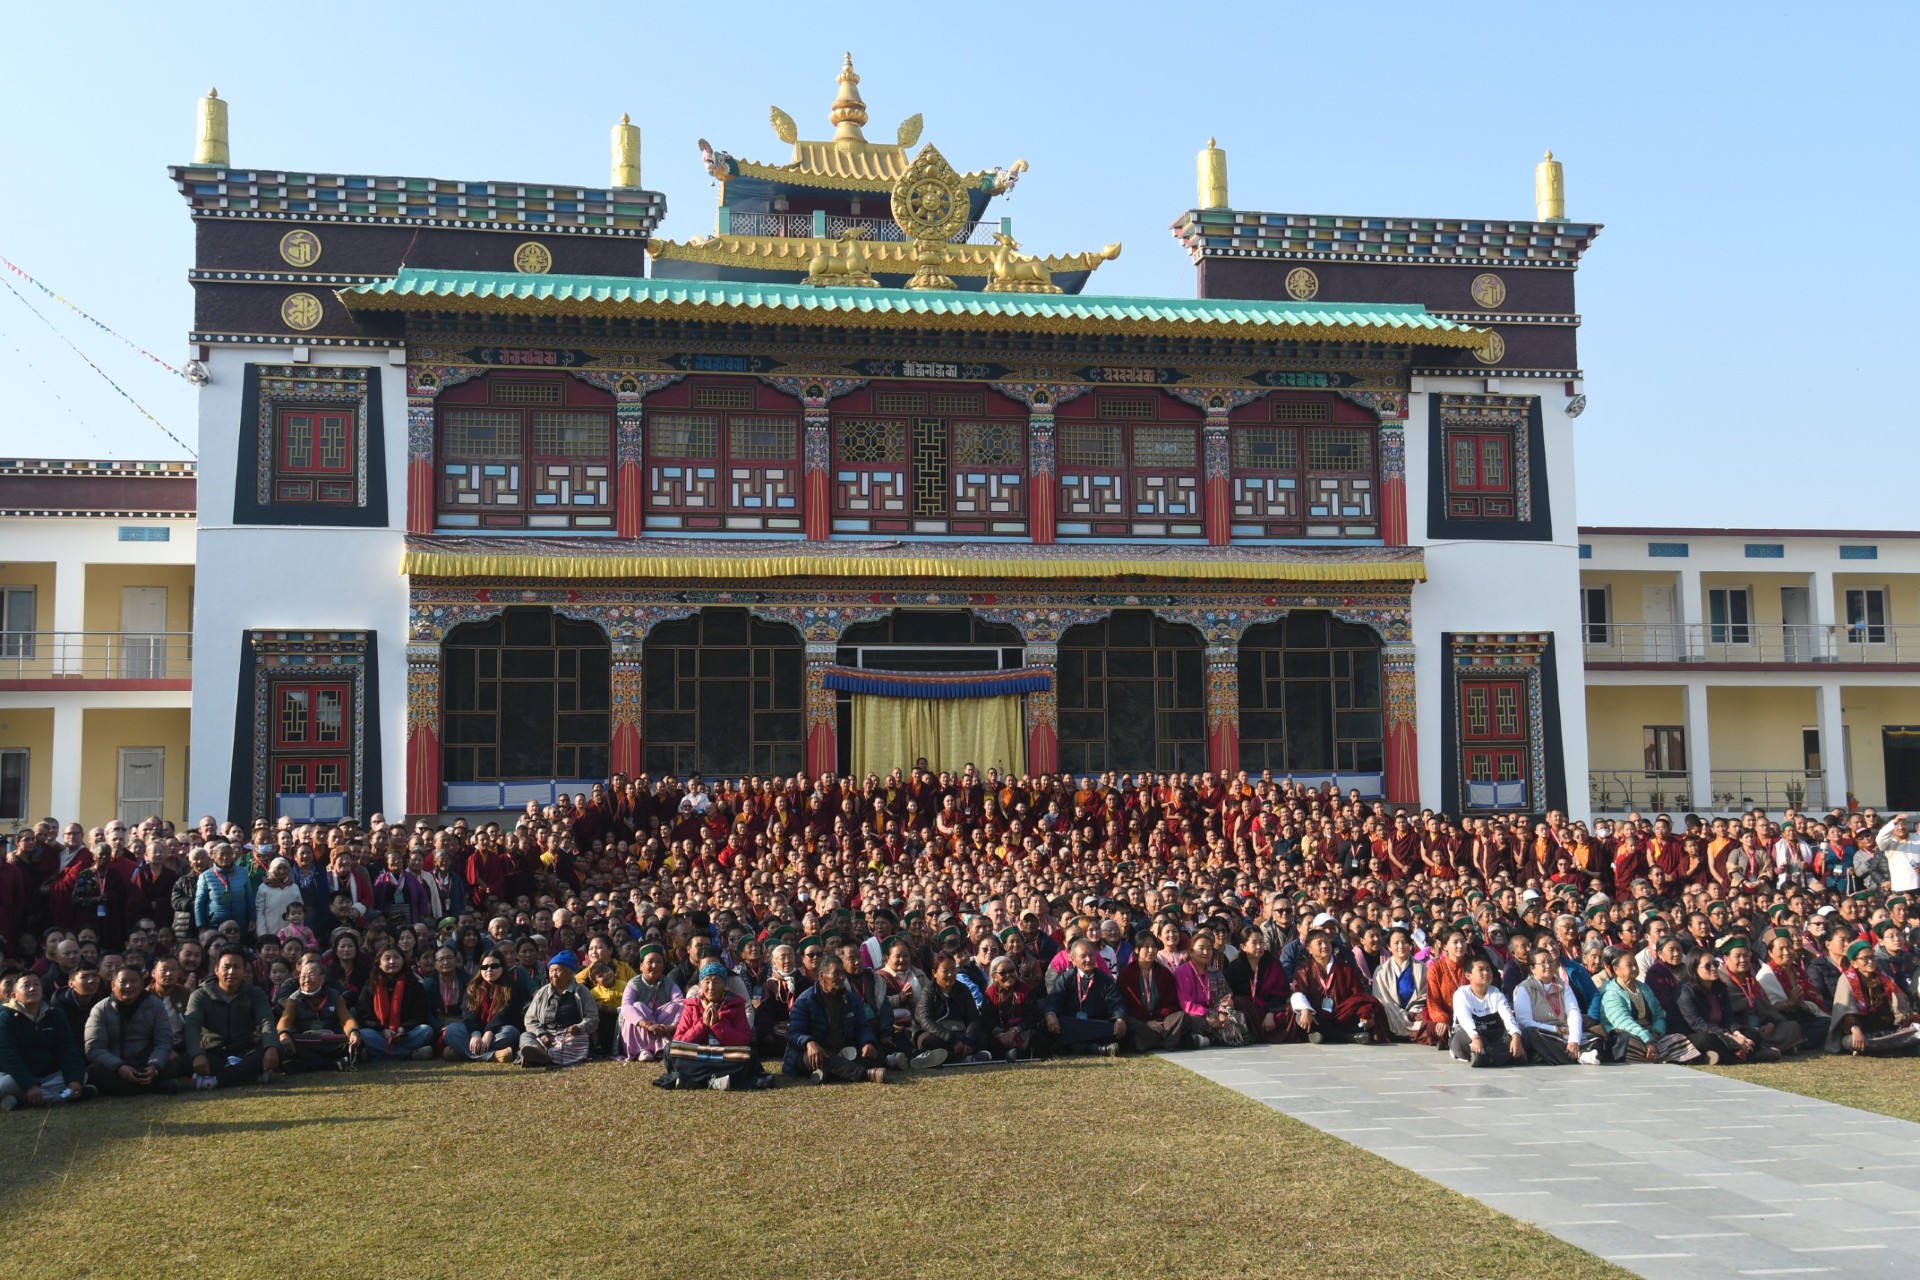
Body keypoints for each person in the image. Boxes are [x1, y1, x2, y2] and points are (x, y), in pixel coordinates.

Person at [658, 960, 770, 1091]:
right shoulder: (692, 1005)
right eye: (707, 982)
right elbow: (680, 1040)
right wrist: (703, 1024)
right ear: (700, 984)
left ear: (724, 985)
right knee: (670, 1049)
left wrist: (717, 1025)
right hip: (698, 1055)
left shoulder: (736, 1004)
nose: (711, 987)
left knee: (750, 1055)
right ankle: (715, 1081)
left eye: (716, 982)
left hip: (724, 1056)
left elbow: (743, 1040)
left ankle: (695, 1080)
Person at [183, 951, 282, 1089]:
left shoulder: (255, 993)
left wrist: (271, 1047)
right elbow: (192, 1026)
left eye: (237, 967)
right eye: (226, 967)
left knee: (277, 1048)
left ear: (244, 971)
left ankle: (215, 1081)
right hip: (213, 1053)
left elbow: (267, 1020)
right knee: (186, 1058)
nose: (231, 971)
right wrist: (197, 1054)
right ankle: (252, 1076)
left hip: (245, 1051)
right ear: (216, 969)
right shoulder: (200, 995)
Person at [785, 954, 888, 1083]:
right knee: (823, 1058)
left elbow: (862, 1026)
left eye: (843, 973)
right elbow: (794, 1033)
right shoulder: (805, 1000)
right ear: (822, 976)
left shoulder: (852, 1000)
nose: (841, 977)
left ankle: (829, 1073)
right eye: (836, 973)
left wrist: (867, 1042)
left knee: (876, 1053)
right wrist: (809, 1042)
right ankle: (865, 1075)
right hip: (813, 1053)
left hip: (842, 1051)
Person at [0, 972, 93, 1109]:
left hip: (50, 1076)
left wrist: (74, 1080)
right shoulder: (5, 1018)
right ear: (14, 995)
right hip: (17, 1078)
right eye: (26, 986)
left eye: (36, 984)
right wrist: (29, 1085)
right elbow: (7, 1055)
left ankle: (23, 1101)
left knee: (81, 1076)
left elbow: (68, 1049)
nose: (32, 988)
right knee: (3, 1084)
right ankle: (64, 1097)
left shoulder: (55, 1014)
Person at [84, 964, 179, 1095]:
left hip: (146, 1062)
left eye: (134, 981)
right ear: (113, 985)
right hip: (116, 1065)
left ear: (141, 985)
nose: (128, 986)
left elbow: (163, 1042)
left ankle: (130, 1088)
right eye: (123, 982)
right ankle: (154, 1087)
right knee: (93, 1071)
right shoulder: (100, 1009)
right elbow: (94, 1048)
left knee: (174, 1064)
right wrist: (119, 1067)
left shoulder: (155, 1005)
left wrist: (154, 1066)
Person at [1598, 949, 1700, 1064]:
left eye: (1635, 964)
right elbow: (1623, 1022)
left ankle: (1656, 1056)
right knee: (1631, 1043)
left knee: (1678, 1037)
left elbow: (1658, 1014)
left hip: (1651, 1033)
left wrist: (1656, 1032)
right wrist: (1647, 1039)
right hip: (1629, 1034)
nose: (1634, 968)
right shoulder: (1611, 993)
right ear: (1616, 969)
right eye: (1629, 965)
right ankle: (1662, 1057)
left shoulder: (1644, 988)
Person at [1290, 927, 1385, 1044]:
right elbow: (1298, 991)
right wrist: (1305, 1009)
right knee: (1300, 1016)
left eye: (1326, 941)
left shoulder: (1344, 967)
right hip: (1317, 1014)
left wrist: (1364, 1012)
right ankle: (1348, 1037)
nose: (1325, 945)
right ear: (1309, 949)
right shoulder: (1304, 968)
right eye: (1319, 943)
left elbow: (1358, 994)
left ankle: (1319, 1035)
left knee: (1366, 1017)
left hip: (1341, 1014)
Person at [1826, 939, 1920, 1055]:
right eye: (1865, 958)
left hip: (1889, 1031)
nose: (1870, 961)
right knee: (1850, 1041)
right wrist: (1855, 1029)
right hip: (1862, 1032)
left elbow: (1900, 1009)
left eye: (1872, 957)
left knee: (1915, 1031)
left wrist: (1907, 1020)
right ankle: (1894, 1047)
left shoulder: (1884, 978)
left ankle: (1886, 1048)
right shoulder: (1846, 980)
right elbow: (1845, 1013)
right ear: (1854, 963)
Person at [1042, 938, 1127, 1057]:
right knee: (1058, 1025)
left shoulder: (1105, 979)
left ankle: (1081, 1045)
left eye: (1091, 955)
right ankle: (1098, 1048)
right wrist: (1051, 1015)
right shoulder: (1066, 978)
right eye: (1083, 956)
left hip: (1096, 1022)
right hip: (1073, 1023)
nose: (1088, 959)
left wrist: (1120, 1019)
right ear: (1072, 959)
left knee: (1117, 1028)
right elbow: (1053, 1000)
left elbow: (1116, 1002)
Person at [1513, 945, 1594, 1065]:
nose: (1548, 966)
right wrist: (1555, 1029)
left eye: (1550, 961)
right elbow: (1524, 1021)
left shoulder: (1563, 986)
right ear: (1532, 968)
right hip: (1543, 1031)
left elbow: (1573, 1012)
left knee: (1595, 1037)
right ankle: (1580, 1055)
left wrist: (1574, 1040)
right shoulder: (1524, 988)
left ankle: (1569, 1052)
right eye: (1543, 963)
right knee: (1531, 1033)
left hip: (1564, 1030)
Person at [276, 957, 360, 1072]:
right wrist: (284, 1034)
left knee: (355, 1041)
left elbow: (346, 1019)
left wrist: (353, 1032)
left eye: (311, 975)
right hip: (306, 1042)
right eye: (303, 976)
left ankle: (309, 1065)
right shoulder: (294, 999)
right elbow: (285, 1020)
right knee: (283, 1045)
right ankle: (333, 1064)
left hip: (330, 1041)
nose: (306, 980)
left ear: (322, 978)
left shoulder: (335, 996)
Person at [354, 945, 435, 1061]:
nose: (392, 961)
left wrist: (403, 1029)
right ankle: (409, 1054)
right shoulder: (370, 985)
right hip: (380, 1033)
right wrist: (382, 1030)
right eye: (387, 958)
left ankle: (378, 1055)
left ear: (403, 961)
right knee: (364, 1034)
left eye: (396, 957)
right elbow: (364, 1014)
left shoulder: (414, 985)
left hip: (405, 1033)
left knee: (426, 1030)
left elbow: (419, 1014)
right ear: (379, 963)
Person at [1118, 930, 1194, 1052]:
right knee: (1128, 1022)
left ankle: (1149, 1042)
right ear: (1137, 949)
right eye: (1146, 947)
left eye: (1154, 947)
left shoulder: (1165, 973)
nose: (1151, 950)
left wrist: (1158, 1019)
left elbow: (1171, 1002)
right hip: (1139, 1021)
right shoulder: (1126, 974)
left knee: (1182, 1017)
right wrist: (1146, 1021)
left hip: (1162, 1021)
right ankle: (1169, 1040)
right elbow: (1127, 1004)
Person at [520, 953, 597, 1068]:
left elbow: (593, 1018)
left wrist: (578, 1027)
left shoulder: (582, 992)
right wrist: (541, 1033)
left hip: (571, 1035)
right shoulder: (542, 992)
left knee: (579, 1039)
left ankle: (542, 1055)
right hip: (546, 1034)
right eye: (551, 971)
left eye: (558, 971)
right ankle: (539, 1052)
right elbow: (530, 1019)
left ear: (570, 973)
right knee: (526, 1036)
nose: (554, 975)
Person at [1175, 930, 1248, 1047]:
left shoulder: (1215, 972)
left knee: (1239, 1016)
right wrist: (1206, 1014)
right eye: (1201, 948)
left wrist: (1222, 1013)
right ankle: (1224, 1039)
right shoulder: (1182, 972)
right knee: (1194, 1022)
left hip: (1216, 1012)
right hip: (1196, 1014)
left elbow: (1225, 995)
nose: (1206, 952)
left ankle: (1209, 1040)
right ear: (1191, 951)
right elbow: (1186, 1003)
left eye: (1209, 949)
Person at [447, 952, 524, 1063]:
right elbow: (468, 1013)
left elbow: (506, 1014)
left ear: (502, 967)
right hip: (475, 1032)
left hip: (497, 1032)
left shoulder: (512, 987)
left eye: (494, 966)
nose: (489, 970)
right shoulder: (473, 987)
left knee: (511, 1033)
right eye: (484, 967)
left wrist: (489, 1032)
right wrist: (475, 1033)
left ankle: (463, 1053)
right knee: (452, 1030)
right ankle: (492, 1056)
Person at [1449, 954, 1524, 1067]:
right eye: (1481, 970)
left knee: (1520, 1036)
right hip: (1469, 1035)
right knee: (1462, 1040)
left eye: (1488, 969)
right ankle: (1499, 1056)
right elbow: (1465, 1019)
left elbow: (1508, 1016)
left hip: (1493, 1036)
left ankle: (1484, 1057)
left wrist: (1515, 1036)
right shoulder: (1461, 994)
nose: (1486, 973)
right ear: (1468, 976)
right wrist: (1475, 1037)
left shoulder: (1496, 993)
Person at [617, 943, 683, 1062]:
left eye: (658, 961)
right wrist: (647, 1025)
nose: (654, 965)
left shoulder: (669, 983)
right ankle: (644, 1049)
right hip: (641, 1027)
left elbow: (681, 1003)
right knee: (638, 1006)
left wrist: (672, 1026)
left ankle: (661, 1046)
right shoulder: (634, 984)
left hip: (662, 1025)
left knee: (676, 1006)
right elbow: (626, 1007)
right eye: (650, 962)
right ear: (641, 966)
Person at [1370, 926, 1432, 1044]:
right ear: (1389, 946)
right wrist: (1398, 1013)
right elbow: (1380, 998)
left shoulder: (1422, 967)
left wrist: (1413, 1012)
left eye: (1404, 942)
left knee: (1430, 1022)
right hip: (1390, 1012)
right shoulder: (1381, 970)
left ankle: (1414, 1034)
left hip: (1415, 1013)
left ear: (1410, 945)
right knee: (1377, 1019)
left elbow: (1426, 993)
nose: (1400, 946)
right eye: (1396, 943)